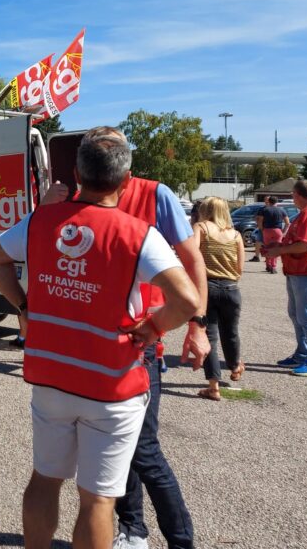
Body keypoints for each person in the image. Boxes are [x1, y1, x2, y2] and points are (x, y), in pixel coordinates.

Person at [0, 126, 199, 549]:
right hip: (110, 385)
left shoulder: (40, 221)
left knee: (44, 480)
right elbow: (187, 299)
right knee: (98, 501)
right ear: (125, 177)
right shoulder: (138, 234)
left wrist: (24, 308)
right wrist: (154, 328)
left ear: (78, 174)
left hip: (50, 377)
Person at [44, 128, 209, 549]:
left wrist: (196, 326)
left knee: (143, 450)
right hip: (86, 350)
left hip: (138, 345)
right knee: (115, 457)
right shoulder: (69, 198)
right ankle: (132, 529)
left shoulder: (157, 196)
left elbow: (192, 261)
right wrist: (47, 209)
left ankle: (180, 539)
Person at [263, 179, 307, 377]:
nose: (292, 198)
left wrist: (279, 250)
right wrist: (277, 249)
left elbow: (306, 245)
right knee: (296, 314)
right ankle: (303, 354)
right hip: (299, 271)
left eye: (293, 195)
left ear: (299, 195)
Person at [193, 197, 245, 400]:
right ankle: (235, 367)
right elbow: (240, 267)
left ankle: (213, 386)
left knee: (210, 336)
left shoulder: (202, 228)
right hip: (231, 288)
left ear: (206, 210)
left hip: (208, 287)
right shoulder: (236, 235)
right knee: (231, 332)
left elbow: (193, 253)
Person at [257, 196, 290, 274]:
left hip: (267, 230)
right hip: (277, 231)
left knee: (267, 247)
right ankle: (273, 266)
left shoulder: (265, 210)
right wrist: (284, 232)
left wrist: (262, 229)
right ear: (277, 202)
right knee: (276, 248)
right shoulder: (281, 210)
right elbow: (287, 223)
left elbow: (260, 221)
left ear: (269, 201)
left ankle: (268, 265)